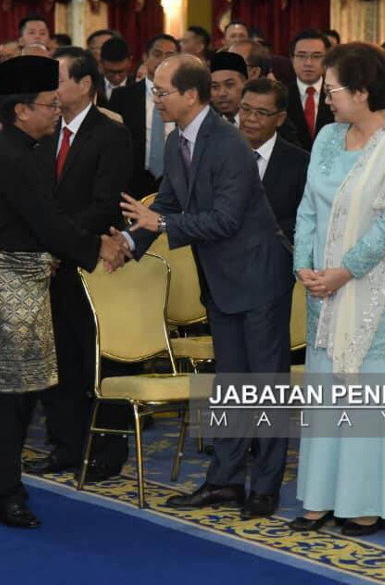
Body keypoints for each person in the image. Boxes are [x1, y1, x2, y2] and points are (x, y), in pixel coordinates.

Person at [118, 54, 293, 521]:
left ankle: (265, 487)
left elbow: (225, 219)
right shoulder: (177, 139)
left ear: (190, 95)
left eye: (162, 92)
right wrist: (127, 243)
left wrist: (161, 223)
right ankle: (225, 481)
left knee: (265, 386)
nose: (155, 99)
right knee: (230, 384)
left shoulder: (229, 143)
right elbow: (167, 202)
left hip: (259, 277)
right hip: (221, 280)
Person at [0, 55, 126, 528]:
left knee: (22, 389)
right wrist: (98, 247)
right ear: (21, 111)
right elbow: (48, 224)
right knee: (12, 393)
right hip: (8, 285)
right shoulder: (12, 156)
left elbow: (48, 222)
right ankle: (4, 495)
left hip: (26, 283)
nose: (56, 112)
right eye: (49, 105)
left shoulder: (22, 149)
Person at [288, 41, 385, 536]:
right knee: (327, 395)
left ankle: (367, 503)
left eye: (333, 90)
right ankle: (322, 498)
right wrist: (305, 267)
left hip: (376, 292)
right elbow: (308, 206)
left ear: (362, 91)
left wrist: (344, 270)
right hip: (325, 291)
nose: (327, 98)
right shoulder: (328, 138)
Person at [25, 47, 134, 480]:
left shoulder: (110, 134)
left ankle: (107, 451)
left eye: (57, 80)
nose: (49, 90)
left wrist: (59, 242)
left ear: (85, 84)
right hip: (48, 266)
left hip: (92, 265)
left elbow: (105, 204)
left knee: (97, 358)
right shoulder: (43, 132)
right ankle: (66, 446)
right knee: (59, 360)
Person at [108, 33, 180, 197]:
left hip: (176, 180)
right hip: (132, 182)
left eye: (169, 55)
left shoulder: (186, 95)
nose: (163, 60)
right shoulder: (122, 96)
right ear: (145, 57)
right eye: (157, 54)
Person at [238, 78, 307, 244]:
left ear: (280, 118)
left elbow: (304, 220)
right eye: (245, 109)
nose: (250, 118)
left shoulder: (301, 163)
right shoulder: (218, 154)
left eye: (261, 113)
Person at [287, 30, 334, 150]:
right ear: (292, 59)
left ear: (327, 60)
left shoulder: (337, 95)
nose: (308, 63)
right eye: (302, 56)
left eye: (316, 56)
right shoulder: (281, 95)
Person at [209, 51, 247, 126]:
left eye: (229, 85)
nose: (222, 93)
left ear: (245, 85)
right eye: (215, 87)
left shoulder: (260, 124)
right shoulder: (207, 125)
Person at [99, 37, 133, 105]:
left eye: (121, 71)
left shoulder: (139, 85)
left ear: (130, 61)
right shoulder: (92, 87)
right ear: (101, 63)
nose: (117, 77)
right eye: (111, 72)